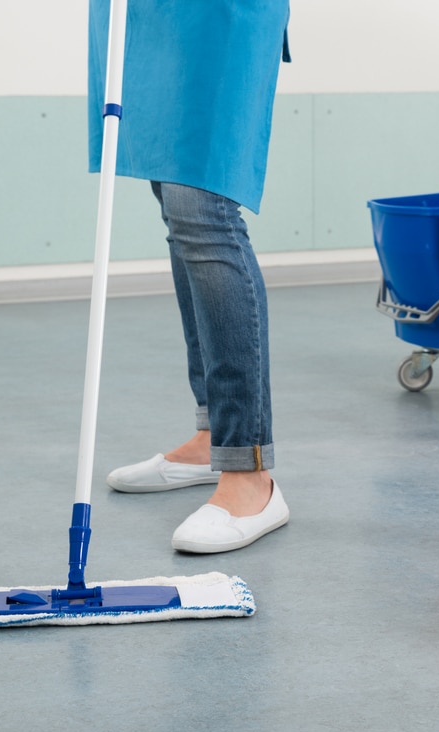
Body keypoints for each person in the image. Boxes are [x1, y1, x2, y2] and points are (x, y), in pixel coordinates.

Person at [87, 0, 292, 554]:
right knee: (174, 194)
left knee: (201, 205)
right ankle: (214, 438)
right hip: (149, 16)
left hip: (218, 13)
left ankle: (249, 472)